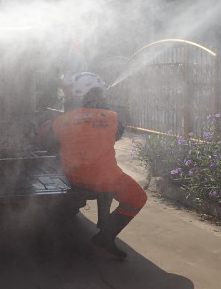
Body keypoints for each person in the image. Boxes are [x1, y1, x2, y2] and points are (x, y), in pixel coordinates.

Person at [46, 72, 147, 260]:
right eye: (99, 93)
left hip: (73, 176)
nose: (102, 96)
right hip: (106, 178)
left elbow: (51, 145)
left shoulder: (62, 120)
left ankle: (100, 228)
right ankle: (105, 236)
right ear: (93, 94)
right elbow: (116, 136)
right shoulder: (112, 118)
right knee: (137, 197)